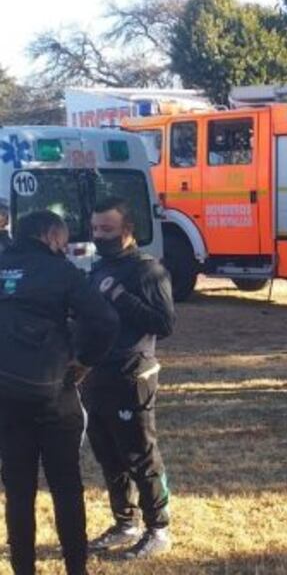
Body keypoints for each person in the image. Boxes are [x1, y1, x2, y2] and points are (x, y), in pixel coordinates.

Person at [0, 210, 119, 575]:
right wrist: (85, 360)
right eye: (64, 240)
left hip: (6, 396)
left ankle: (23, 568)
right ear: (51, 236)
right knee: (66, 485)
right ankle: (75, 568)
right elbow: (105, 320)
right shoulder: (63, 272)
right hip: (54, 395)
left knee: (18, 492)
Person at [83, 197, 177, 560]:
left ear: (127, 230)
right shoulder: (98, 268)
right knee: (108, 454)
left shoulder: (147, 270)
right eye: (95, 229)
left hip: (132, 373)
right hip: (97, 374)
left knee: (140, 454)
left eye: (107, 229)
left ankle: (159, 529)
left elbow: (164, 324)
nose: (99, 236)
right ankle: (126, 523)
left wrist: (121, 296)